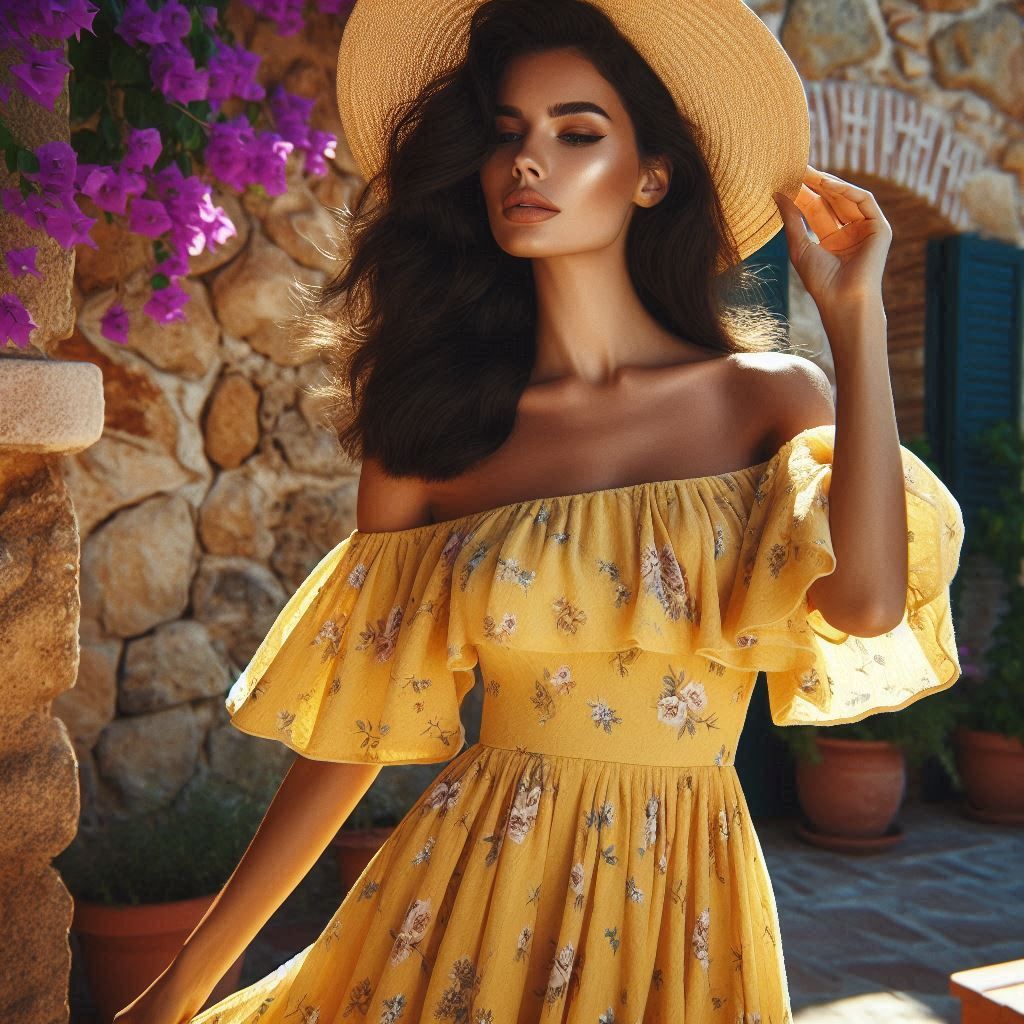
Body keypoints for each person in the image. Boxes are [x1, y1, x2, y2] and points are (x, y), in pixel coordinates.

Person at [114, 1, 965, 1021]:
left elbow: (868, 601)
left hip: (684, 907)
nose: (529, 163)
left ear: (651, 176)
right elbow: (355, 733)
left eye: (576, 132)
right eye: (506, 135)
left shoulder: (768, 398)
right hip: (467, 900)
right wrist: (179, 985)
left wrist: (857, 323)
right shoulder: (432, 434)